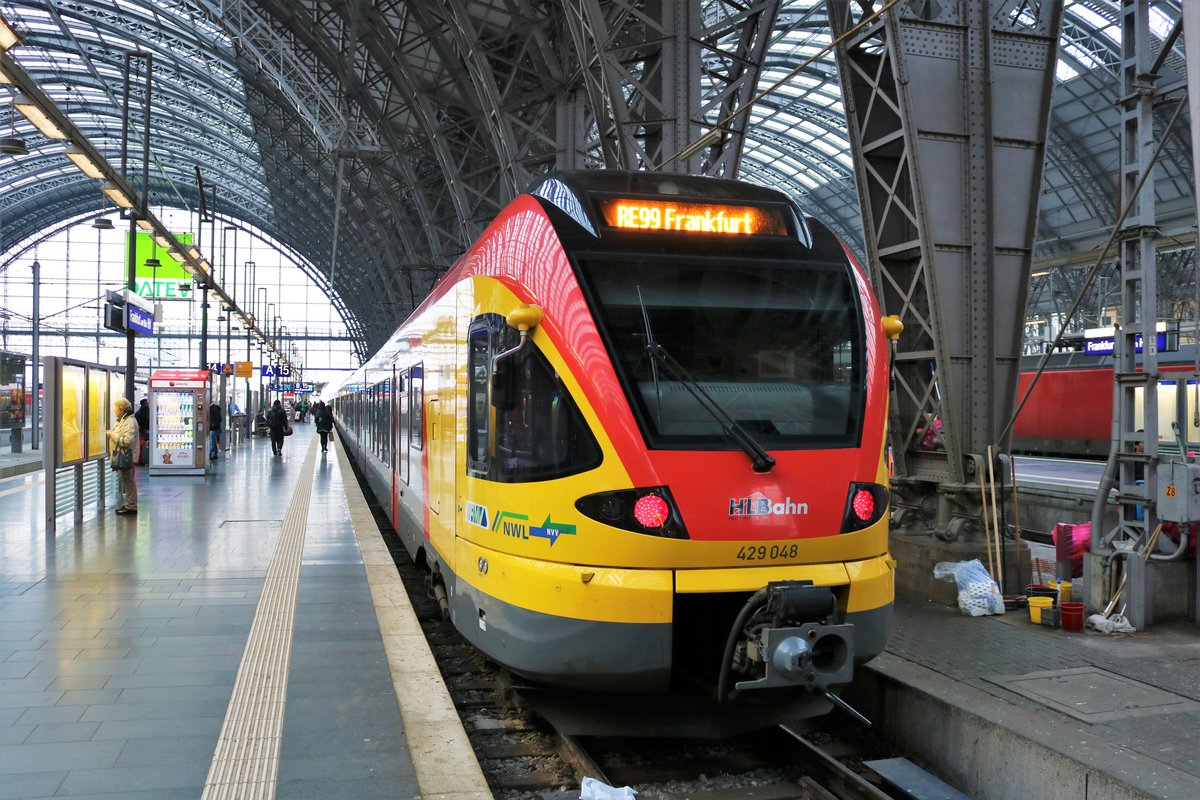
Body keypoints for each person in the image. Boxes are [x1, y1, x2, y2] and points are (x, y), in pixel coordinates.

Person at [107, 397, 139, 515]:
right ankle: (130, 504)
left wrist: (112, 435)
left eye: (115, 408)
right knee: (126, 480)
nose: (114, 410)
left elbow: (127, 441)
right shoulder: (124, 420)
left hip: (126, 456)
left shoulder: (129, 422)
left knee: (128, 480)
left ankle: (132, 506)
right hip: (123, 455)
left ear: (121, 409)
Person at [134, 398, 150, 465]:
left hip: (147, 432)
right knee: (142, 446)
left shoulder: (148, 412)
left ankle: (145, 459)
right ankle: (142, 460)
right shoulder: (138, 414)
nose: (147, 405)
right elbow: (137, 425)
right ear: (143, 404)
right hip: (142, 433)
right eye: (146, 404)